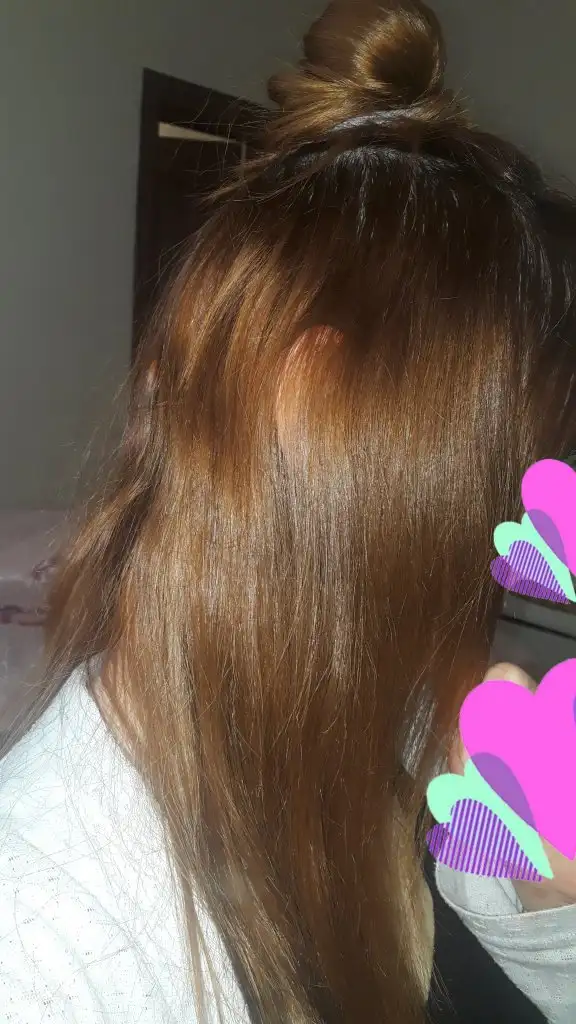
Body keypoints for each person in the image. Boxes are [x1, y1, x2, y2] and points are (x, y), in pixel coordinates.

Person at [1, 1, 576, 1021]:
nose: (515, 508)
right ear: (313, 401)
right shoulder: (39, 948)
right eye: (502, 459)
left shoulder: (394, 704)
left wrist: (549, 904)